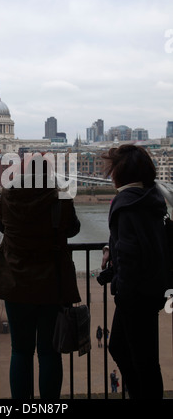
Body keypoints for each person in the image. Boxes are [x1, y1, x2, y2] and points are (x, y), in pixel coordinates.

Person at [0, 157, 81, 399]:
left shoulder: (6, 199)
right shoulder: (61, 201)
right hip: (52, 284)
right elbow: (73, 229)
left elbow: (1, 225)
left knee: (20, 351)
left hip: (15, 283)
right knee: (50, 352)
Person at [101, 144, 170, 399]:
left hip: (134, 294)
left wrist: (122, 291)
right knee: (126, 349)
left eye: (112, 170)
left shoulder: (125, 203)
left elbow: (130, 252)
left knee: (142, 359)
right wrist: (112, 247)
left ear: (122, 173)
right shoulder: (150, 197)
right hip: (152, 287)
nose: (109, 175)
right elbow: (141, 239)